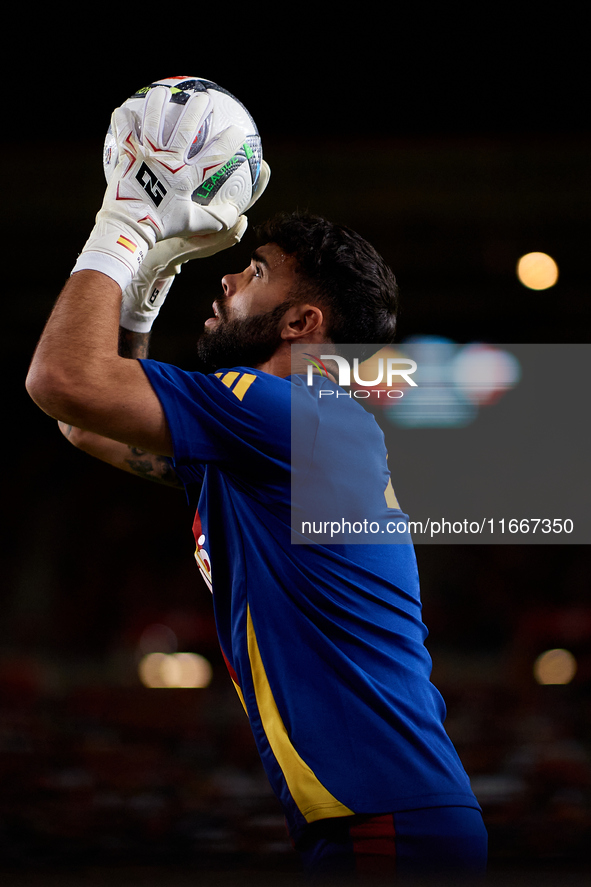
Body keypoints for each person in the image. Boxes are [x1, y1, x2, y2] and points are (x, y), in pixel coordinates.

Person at [26, 84, 487, 882]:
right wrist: (155, 273)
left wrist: (129, 223)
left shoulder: (284, 411)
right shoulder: (282, 430)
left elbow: (62, 379)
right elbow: (86, 423)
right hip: (381, 816)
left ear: (301, 323)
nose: (228, 280)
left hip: (381, 819)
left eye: (255, 272)